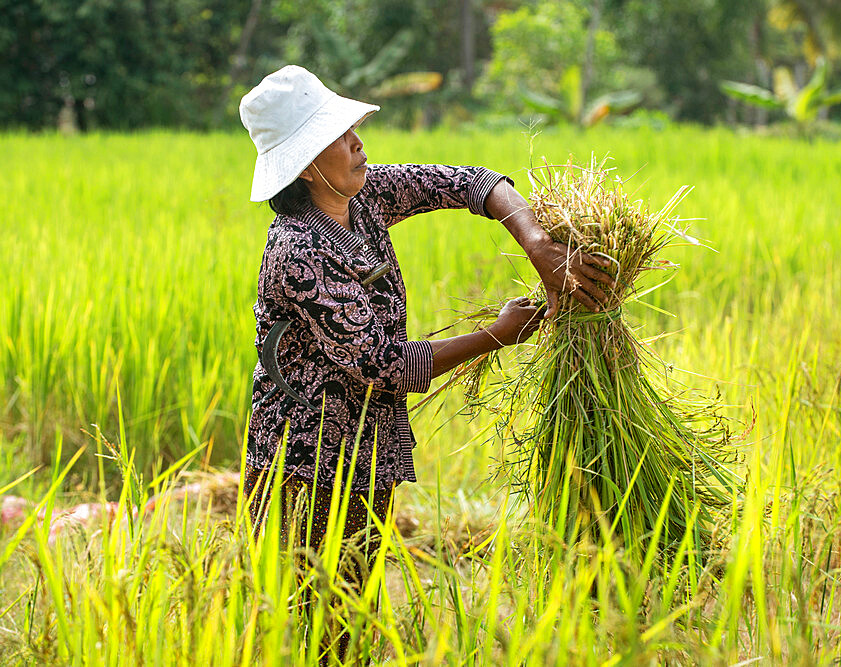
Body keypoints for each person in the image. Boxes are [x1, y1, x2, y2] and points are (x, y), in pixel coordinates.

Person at [238, 64, 613, 665]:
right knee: (315, 621)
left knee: (354, 609)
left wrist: (539, 244)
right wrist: (496, 335)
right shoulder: (298, 253)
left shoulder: (363, 199)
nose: (358, 141)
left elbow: (470, 182)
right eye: (339, 136)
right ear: (307, 164)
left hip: (364, 445)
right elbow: (381, 364)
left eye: (352, 128)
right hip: (304, 462)